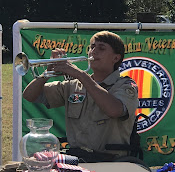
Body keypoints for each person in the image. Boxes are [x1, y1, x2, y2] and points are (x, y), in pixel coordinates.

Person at [23, 31, 139, 162]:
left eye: (101, 48)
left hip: (111, 162)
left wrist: (80, 75)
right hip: (76, 159)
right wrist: (47, 72)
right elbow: (29, 95)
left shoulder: (125, 85)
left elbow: (114, 110)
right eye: (92, 47)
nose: (93, 52)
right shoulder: (73, 85)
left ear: (116, 58)